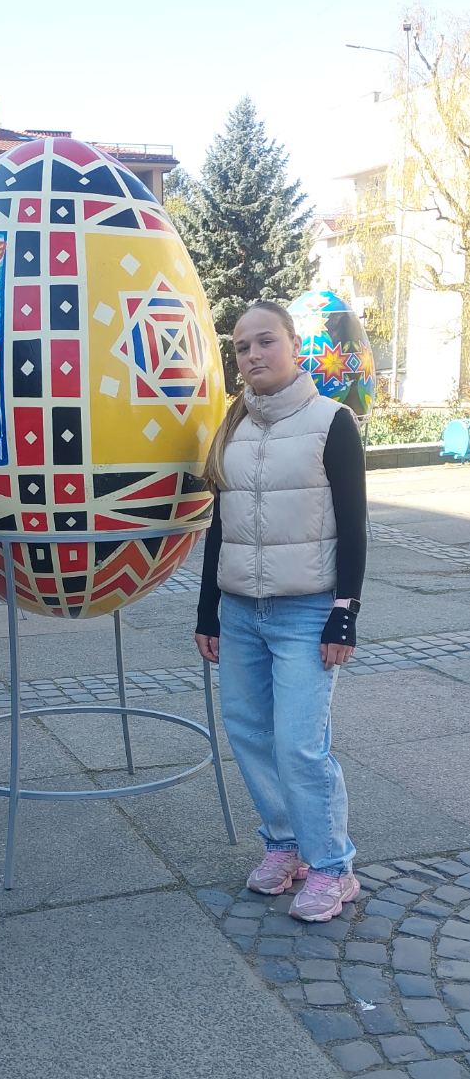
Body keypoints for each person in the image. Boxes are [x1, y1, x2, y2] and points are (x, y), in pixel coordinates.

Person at [195, 300, 367, 923]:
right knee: (249, 734)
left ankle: (332, 867)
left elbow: (354, 524)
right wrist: (209, 610)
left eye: (265, 341)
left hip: (306, 612)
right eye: (242, 347)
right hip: (242, 612)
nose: (253, 355)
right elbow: (220, 526)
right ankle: (283, 845)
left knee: (300, 745)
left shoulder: (331, 422)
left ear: (294, 345)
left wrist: (345, 611)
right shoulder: (232, 425)